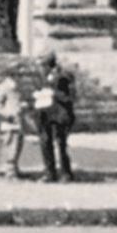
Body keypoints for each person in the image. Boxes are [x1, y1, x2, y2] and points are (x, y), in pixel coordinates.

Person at [34, 52, 77, 183]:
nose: (41, 68)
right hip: (45, 114)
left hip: (60, 115)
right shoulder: (42, 77)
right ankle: (49, 172)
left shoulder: (64, 77)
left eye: (43, 65)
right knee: (45, 144)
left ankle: (65, 173)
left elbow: (70, 97)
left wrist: (54, 93)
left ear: (49, 65)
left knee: (61, 144)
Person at [0, 71, 29, 179]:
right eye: (16, 74)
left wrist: (24, 106)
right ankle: (9, 171)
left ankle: (15, 168)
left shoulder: (19, 87)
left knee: (18, 146)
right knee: (10, 146)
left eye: (20, 75)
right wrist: (7, 114)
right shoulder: (4, 87)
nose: (19, 77)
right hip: (9, 122)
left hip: (19, 121)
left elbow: (19, 101)